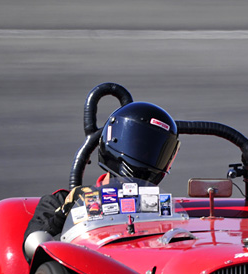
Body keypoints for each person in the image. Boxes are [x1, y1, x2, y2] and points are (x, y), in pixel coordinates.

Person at [22, 101, 180, 261]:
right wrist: (64, 214)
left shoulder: (162, 208)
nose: (146, 157)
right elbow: (33, 249)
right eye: (138, 147)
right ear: (115, 140)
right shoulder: (60, 202)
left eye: (153, 153)